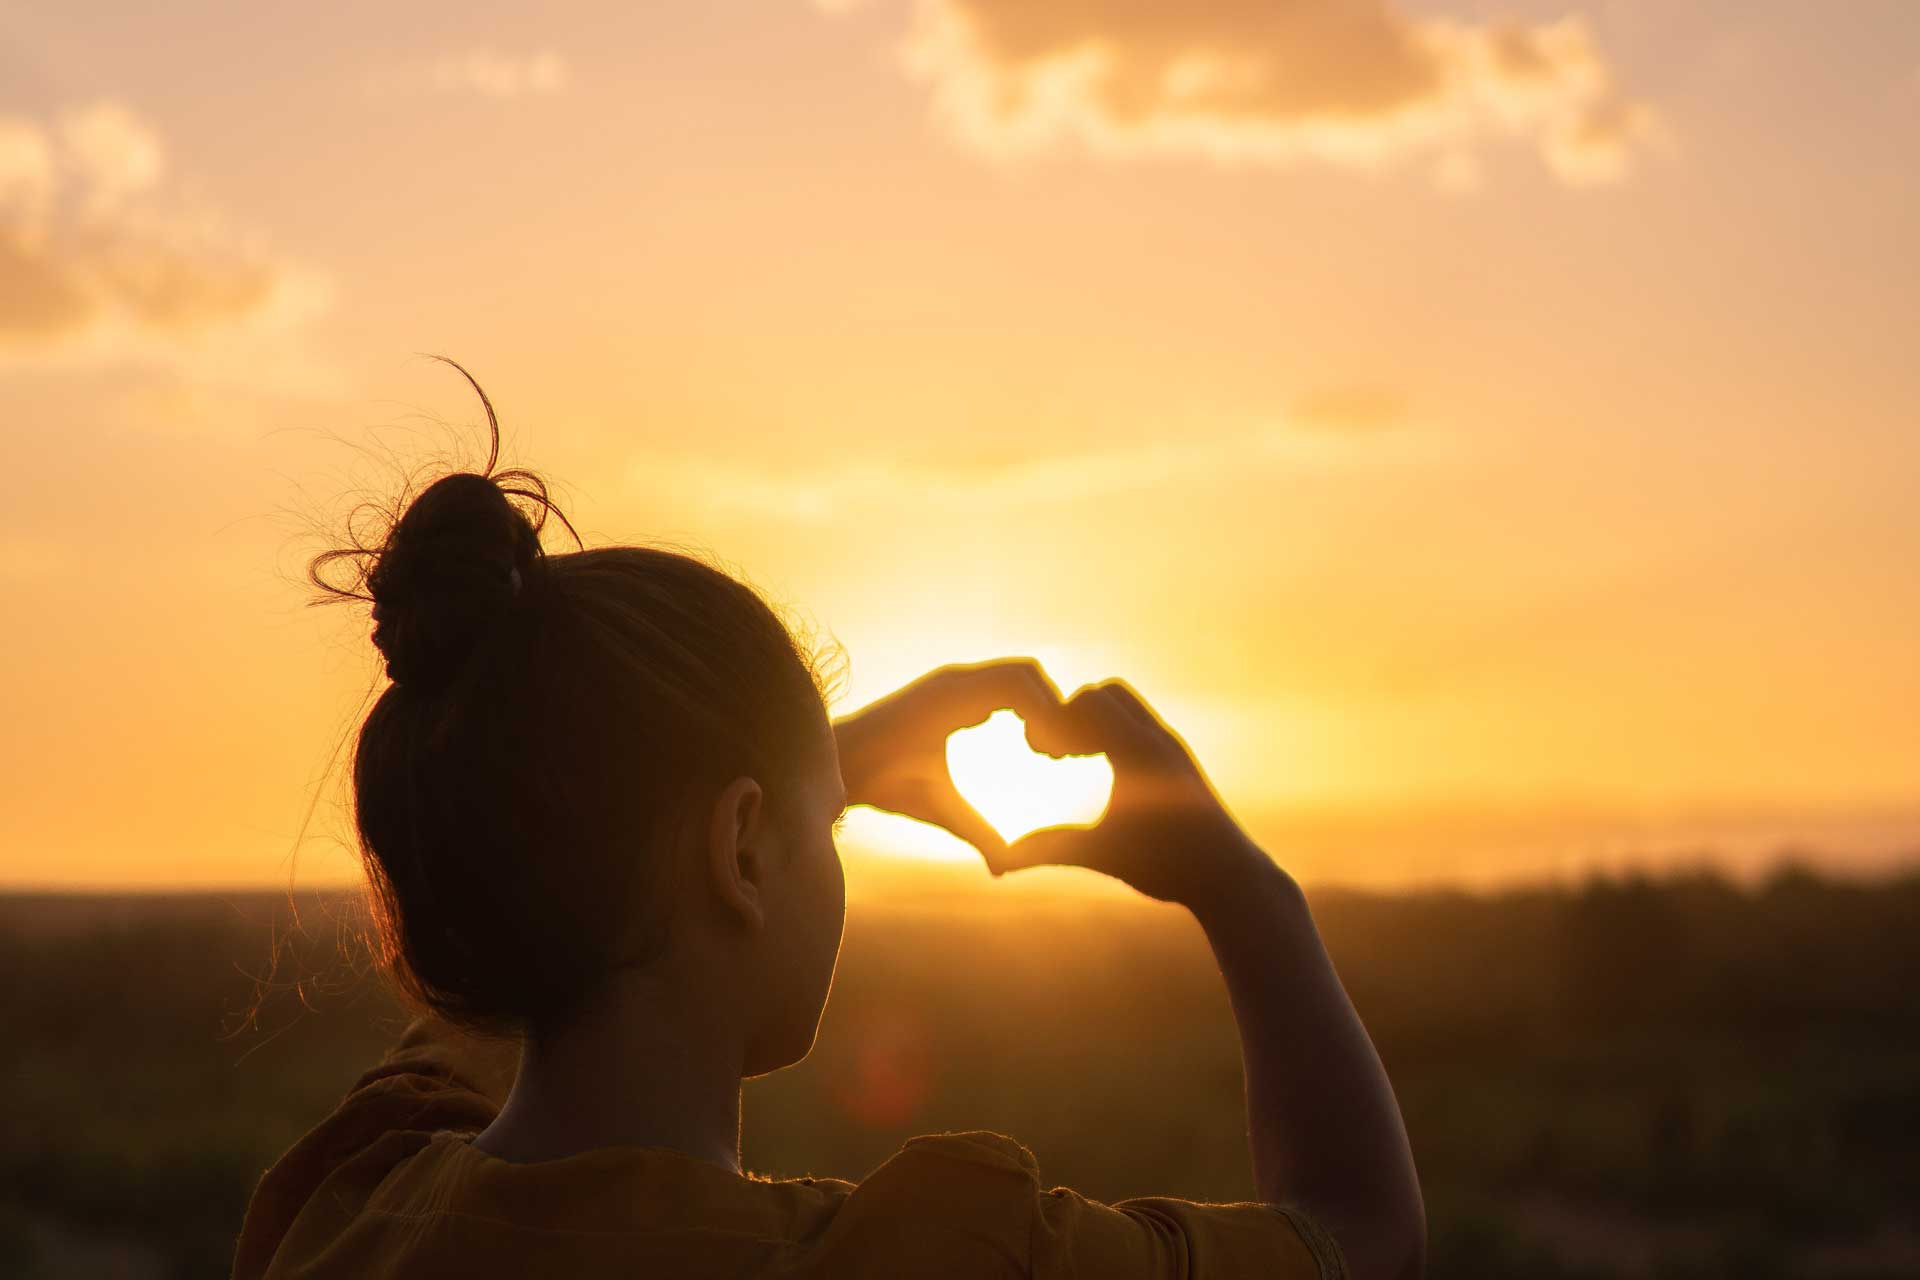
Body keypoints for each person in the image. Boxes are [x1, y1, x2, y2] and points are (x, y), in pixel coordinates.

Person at [232, 367, 1425, 1280]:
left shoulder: (352, 1201)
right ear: (742, 848)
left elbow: (541, 907)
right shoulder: (937, 1252)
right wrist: (1246, 888)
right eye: (826, 822)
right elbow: (1358, 1236)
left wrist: (797, 771)